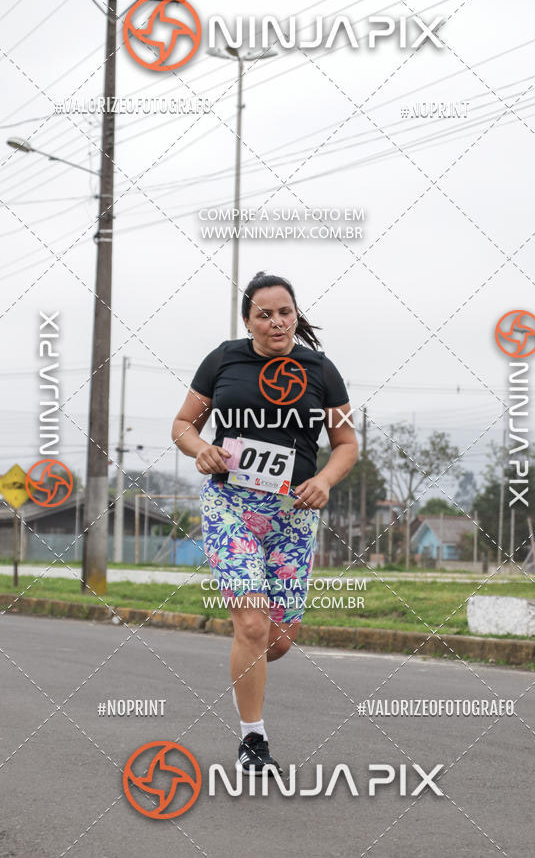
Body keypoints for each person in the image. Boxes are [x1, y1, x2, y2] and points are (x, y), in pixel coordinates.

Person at [172, 271, 358, 774]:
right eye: (265, 314)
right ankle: (253, 740)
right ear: (248, 321)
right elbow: (183, 425)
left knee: (275, 641)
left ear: (296, 315)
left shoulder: (320, 370)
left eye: (285, 312)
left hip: (293, 516)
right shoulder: (224, 361)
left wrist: (325, 480)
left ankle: (246, 646)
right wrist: (201, 448)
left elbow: (346, 444)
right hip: (230, 507)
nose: (277, 322)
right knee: (252, 623)